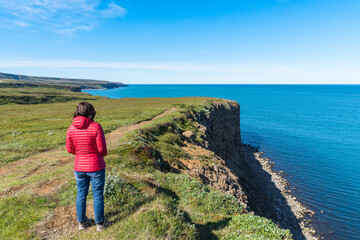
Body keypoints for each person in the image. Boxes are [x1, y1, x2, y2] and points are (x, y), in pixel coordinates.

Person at [66, 102, 112, 232]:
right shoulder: (96, 126)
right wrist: (99, 154)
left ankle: (82, 223)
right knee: (98, 195)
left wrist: (80, 154)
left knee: (81, 194)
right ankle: (100, 224)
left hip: (79, 167)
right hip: (96, 166)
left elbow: (70, 149)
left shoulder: (71, 128)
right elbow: (102, 149)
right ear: (91, 112)